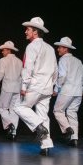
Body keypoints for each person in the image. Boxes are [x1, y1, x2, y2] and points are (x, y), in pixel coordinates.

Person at [14, 17, 57, 156]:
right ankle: (46, 146)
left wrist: (24, 86)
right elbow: (56, 70)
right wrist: (53, 85)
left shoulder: (32, 46)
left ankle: (39, 126)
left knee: (19, 107)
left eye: (28, 29)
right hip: (47, 86)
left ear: (35, 32)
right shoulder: (50, 48)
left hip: (35, 84)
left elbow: (28, 68)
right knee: (43, 114)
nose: (26, 32)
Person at [52, 37, 83, 146]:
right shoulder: (78, 61)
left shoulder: (63, 60)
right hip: (77, 92)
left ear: (65, 49)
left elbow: (62, 75)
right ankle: (74, 139)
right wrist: (82, 88)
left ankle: (67, 129)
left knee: (57, 111)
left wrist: (56, 88)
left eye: (60, 48)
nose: (58, 49)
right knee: (72, 114)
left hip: (67, 90)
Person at [0, 41, 22, 140]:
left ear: (8, 51)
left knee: (3, 109)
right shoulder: (19, 61)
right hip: (17, 89)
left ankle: (10, 125)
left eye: (3, 50)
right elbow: (22, 76)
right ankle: (13, 133)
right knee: (13, 110)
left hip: (7, 88)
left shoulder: (3, 60)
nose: (2, 52)